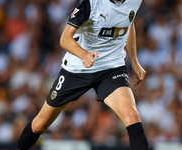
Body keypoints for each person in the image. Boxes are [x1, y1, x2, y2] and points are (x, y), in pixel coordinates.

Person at [16, 0, 149, 150]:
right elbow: (65, 38)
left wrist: (135, 61)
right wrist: (84, 54)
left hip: (111, 68)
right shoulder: (90, 2)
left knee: (132, 115)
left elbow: (128, 22)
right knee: (40, 124)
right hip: (77, 69)